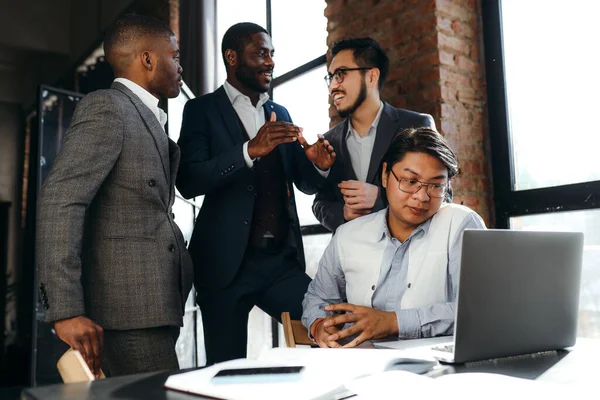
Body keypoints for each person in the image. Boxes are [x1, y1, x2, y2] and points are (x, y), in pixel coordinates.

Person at [36, 14, 193, 376]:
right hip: (126, 313)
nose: (180, 67)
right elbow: (61, 199)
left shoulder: (144, 116)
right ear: (148, 59)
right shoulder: (108, 107)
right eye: (176, 56)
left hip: (154, 308)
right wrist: (66, 310)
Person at [176, 22, 336, 364]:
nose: (270, 62)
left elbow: (304, 183)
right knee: (227, 370)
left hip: (280, 264)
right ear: (232, 57)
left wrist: (318, 166)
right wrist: (249, 150)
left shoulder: (281, 113)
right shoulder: (201, 111)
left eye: (272, 54)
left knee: (329, 332)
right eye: (260, 53)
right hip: (223, 267)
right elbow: (189, 180)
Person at [302, 127, 486, 348]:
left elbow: (474, 308)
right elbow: (317, 297)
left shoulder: (461, 224)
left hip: (435, 368)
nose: (421, 196)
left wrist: (392, 322)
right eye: (409, 181)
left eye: (436, 185)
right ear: (385, 175)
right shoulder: (347, 235)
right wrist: (319, 325)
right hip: (361, 366)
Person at [313, 37, 436, 232]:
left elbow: (441, 195)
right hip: (351, 257)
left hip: (409, 255)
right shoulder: (329, 142)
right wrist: (344, 213)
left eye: (341, 74)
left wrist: (381, 199)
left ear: (371, 77)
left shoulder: (416, 125)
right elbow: (320, 204)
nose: (332, 87)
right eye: (331, 77)